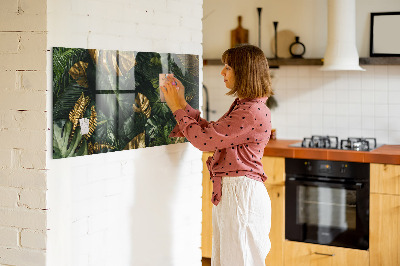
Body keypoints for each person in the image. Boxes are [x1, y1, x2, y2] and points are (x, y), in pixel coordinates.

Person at [161, 44, 273, 266]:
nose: (222, 72)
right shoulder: (246, 106)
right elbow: (212, 133)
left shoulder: (250, 111)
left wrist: (176, 108)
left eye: (228, 67)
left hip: (241, 195)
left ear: (244, 72)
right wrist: (182, 103)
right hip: (236, 193)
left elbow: (204, 141)